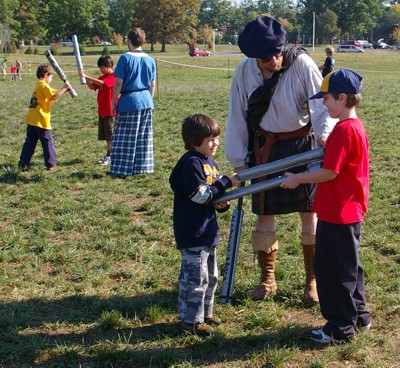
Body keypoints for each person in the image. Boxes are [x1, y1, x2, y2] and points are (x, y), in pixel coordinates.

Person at [224, 15, 337, 305]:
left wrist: (324, 136)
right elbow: (236, 114)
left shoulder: (301, 64)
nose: (273, 60)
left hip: (302, 145)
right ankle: (267, 279)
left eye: (276, 53)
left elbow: (321, 107)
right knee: (264, 215)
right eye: (266, 57)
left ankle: (312, 280)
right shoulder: (244, 72)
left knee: (309, 213)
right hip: (265, 147)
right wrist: (238, 160)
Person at [280, 68, 371, 344]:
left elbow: (329, 172)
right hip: (347, 210)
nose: (324, 104)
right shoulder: (354, 127)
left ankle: (340, 328)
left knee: (332, 271)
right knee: (349, 266)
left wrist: (298, 179)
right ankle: (359, 316)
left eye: (327, 99)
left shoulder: (344, 130)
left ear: (342, 98)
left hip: (338, 212)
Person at [169, 114, 240, 336]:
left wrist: (222, 204)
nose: (215, 143)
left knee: (211, 276)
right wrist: (227, 182)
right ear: (193, 141)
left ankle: (205, 313)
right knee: (194, 279)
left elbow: (212, 196)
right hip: (192, 232)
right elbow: (200, 196)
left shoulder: (210, 163)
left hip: (208, 231)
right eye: (210, 140)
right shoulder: (191, 163)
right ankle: (190, 320)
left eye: (216, 138)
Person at [109, 27, 156, 179]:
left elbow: (118, 83)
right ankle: (142, 167)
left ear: (128, 41)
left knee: (124, 137)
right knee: (143, 137)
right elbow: (152, 84)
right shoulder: (150, 59)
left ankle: (122, 169)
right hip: (146, 100)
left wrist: (113, 101)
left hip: (129, 100)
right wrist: (149, 99)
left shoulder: (125, 58)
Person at [18, 64, 71, 171]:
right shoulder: (43, 86)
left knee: (30, 142)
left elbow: (52, 93)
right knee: (47, 142)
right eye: (51, 77)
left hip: (32, 119)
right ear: (46, 74)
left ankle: (23, 163)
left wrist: (64, 90)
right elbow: (53, 96)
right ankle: (51, 164)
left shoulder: (39, 84)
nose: (51, 79)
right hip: (41, 120)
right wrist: (64, 88)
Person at [79, 55, 116, 166]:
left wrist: (87, 76)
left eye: (102, 67)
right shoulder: (101, 76)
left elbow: (103, 85)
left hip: (110, 111)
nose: (101, 69)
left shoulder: (114, 76)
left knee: (110, 135)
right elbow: (92, 87)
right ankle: (109, 154)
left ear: (109, 65)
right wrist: (84, 78)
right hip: (102, 111)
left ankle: (110, 155)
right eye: (100, 67)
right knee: (106, 135)